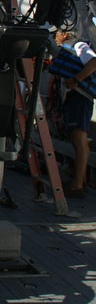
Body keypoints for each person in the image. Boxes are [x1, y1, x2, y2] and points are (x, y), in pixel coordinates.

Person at [54, 28, 96, 197]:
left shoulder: (79, 46)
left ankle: (77, 185)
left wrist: (76, 80)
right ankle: (81, 179)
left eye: (56, 34)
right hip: (75, 98)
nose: (54, 37)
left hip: (80, 97)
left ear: (65, 34)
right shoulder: (70, 49)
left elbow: (93, 62)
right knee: (76, 139)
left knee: (79, 140)